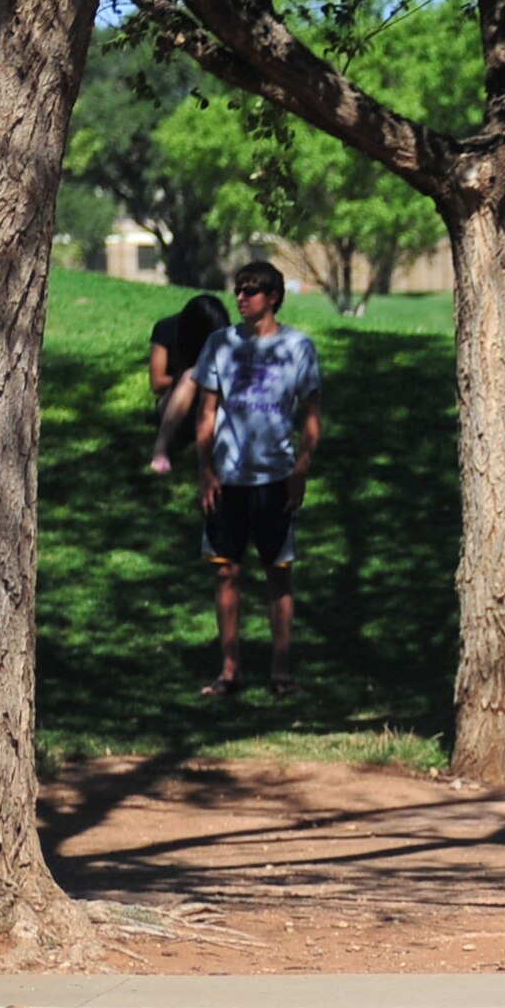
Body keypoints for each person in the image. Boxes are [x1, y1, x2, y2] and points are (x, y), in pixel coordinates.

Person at [193, 261, 321, 698]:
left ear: (273, 297)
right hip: (228, 479)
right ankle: (230, 671)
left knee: (278, 573)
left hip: (275, 478)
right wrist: (205, 470)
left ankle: (280, 672)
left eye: (251, 291)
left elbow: (311, 416)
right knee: (226, 572)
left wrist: (301, 470)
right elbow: (206, 411)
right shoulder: (220, 344)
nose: (241, 298)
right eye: (239, 290)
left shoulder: (298, 347)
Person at [149, 294, 232, 473]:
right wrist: (201, 377)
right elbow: (157, 383)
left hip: (214, 405)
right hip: (176, 403)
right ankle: (160, 449)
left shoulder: (226, 335)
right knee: (191, 375)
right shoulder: (166, 329)